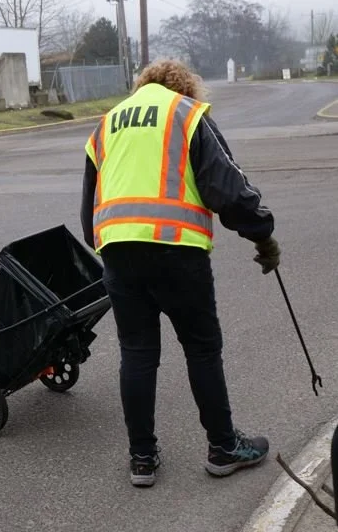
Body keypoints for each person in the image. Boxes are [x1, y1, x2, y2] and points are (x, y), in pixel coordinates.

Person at [81, 59, 280, 488]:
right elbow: (228, 189)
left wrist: (112, 247)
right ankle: (223, 447)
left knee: (137, 353)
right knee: (202, 349)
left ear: (142, 84)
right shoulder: (186, 115)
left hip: (118, 250)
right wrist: (262, 234)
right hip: (177, 254)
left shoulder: (108, 123)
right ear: (186, 86)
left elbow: (89, 207)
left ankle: (142, 459)